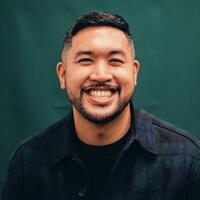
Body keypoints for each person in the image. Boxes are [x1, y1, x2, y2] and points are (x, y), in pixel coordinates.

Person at [2, 11, 200, 200]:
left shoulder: (187, 158)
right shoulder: (27, 162)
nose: (101, 75)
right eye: (86, 60)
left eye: (115, 61)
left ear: (134, 73)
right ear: (62, 75)